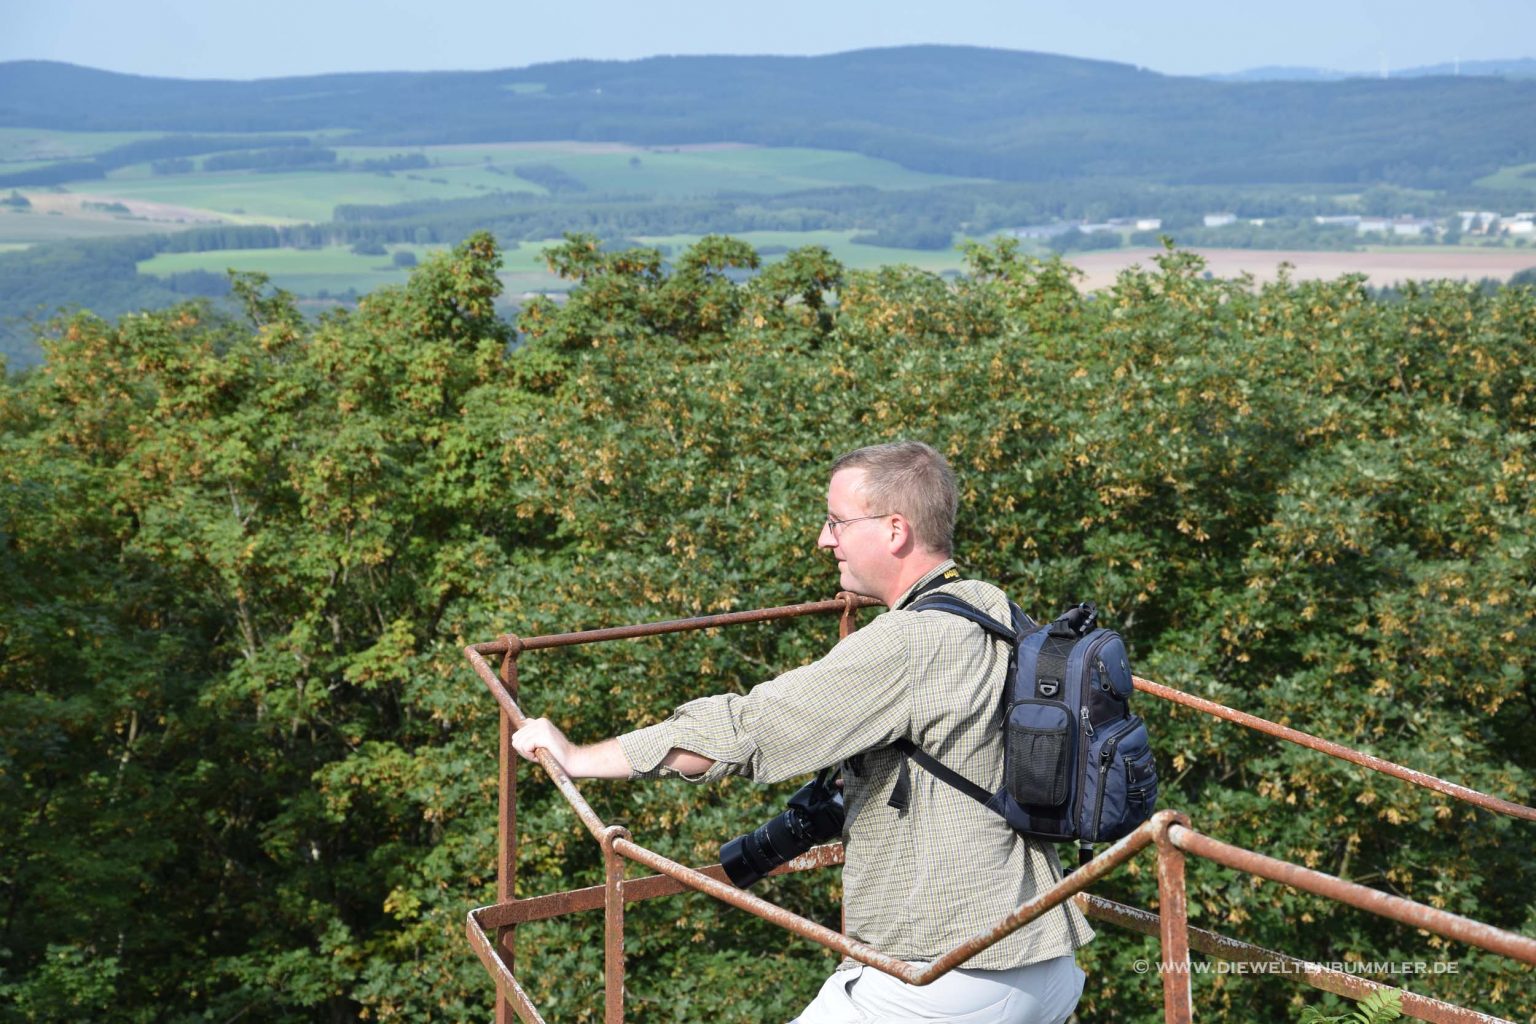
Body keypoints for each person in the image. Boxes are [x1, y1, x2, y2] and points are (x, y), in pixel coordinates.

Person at [512, 440, 1090, 1024]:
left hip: (947, 973)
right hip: (1045, 954)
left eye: (838, 521)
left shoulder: (906, 642)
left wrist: (579, 756)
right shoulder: (994, 609)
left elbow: (749, 729)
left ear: (895, 531)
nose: (824, 539)